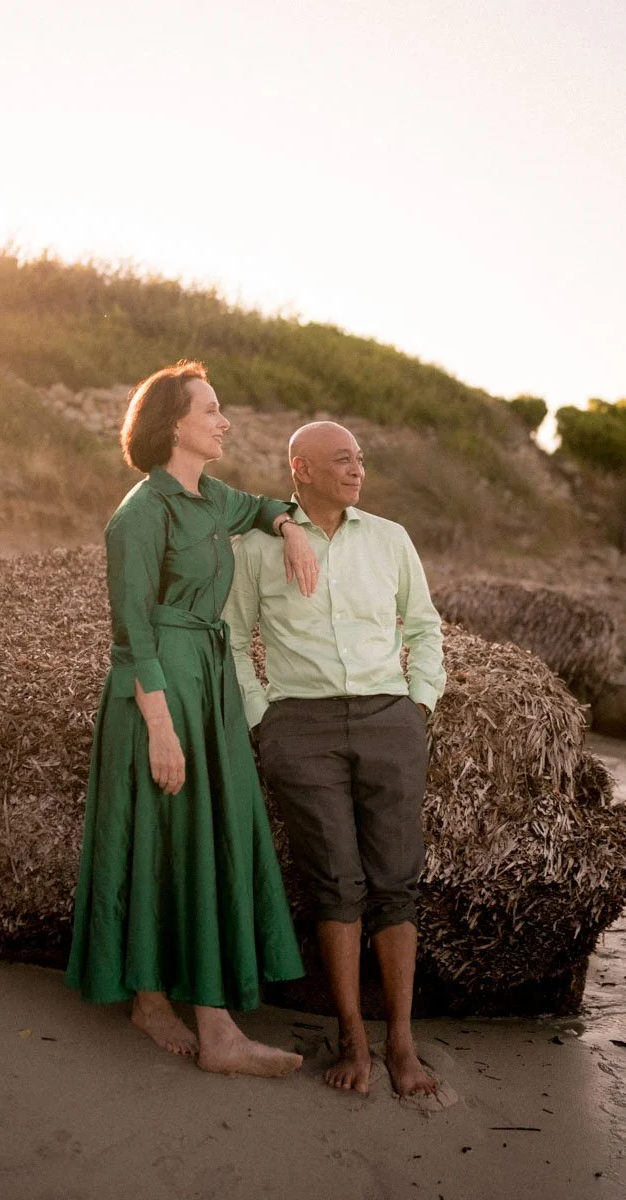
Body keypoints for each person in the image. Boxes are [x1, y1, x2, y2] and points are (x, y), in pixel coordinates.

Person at [66, 361, 319, 1078]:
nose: (224, 420)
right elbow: (130, 635)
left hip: (208, 678)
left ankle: (168, 1006)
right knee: (157, 837)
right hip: (159, 689)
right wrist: (162, 727)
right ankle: (200, 1024)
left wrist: (290, 528)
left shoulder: (212, 497)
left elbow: (267, 503)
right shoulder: (139, 515)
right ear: (174, 423)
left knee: (200, 835)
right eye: (211, 409)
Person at [223, 421, 446, 1097]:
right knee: (337, 885)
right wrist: (266, 721)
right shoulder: (255, 547)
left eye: (361, 460)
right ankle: (353, 1040)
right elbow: (233, 639)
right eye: (343, 459)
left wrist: (419, 707)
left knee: (396, 883)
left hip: (388, 720)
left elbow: (423, 624)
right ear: (302, 468)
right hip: (303, 728)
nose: (358, 470)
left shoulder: (389, 538)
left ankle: (402, 1042)